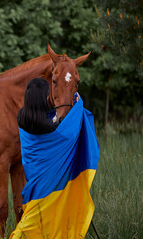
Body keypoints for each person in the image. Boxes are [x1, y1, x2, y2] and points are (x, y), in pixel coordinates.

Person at [10, 78, 99, 239]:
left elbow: (47, 123)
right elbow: (67, 134)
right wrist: (78, 107)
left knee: (33, 212)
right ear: (42, 98)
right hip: (48, 178)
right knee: (38, 213)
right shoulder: (48, 125)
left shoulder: (21, 116)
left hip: (34, 176)